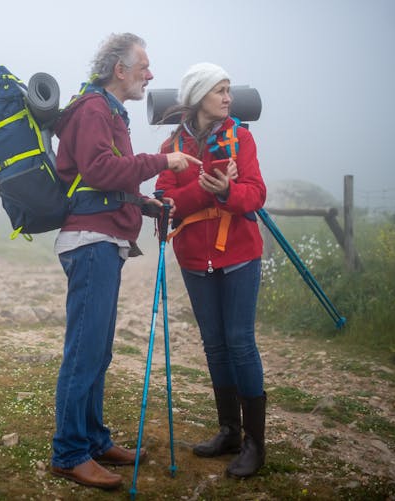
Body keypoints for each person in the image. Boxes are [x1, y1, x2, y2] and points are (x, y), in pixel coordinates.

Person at [49, 33, 201, 490]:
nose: (150, 75)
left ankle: (94, 439)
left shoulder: (108, 111)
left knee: (99, 350)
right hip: (90, 241)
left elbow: (107, 179)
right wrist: (163, 161)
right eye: (143, 66)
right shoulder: (94, 109)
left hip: (103, 240)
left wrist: (146, 204)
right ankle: (69, 452)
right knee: (84, 350)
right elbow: (97, 170)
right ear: (120, 69)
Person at [155, 62, 267, 478]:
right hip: (193, 258)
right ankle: (230, 432)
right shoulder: (173, 145)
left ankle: (256, 445)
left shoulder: (241, 138)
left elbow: (256, 194)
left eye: (228, 90)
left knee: (239, 342)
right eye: (219, 90)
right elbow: (165, 201)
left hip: (238, 253)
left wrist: (228, 193)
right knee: (215, 344)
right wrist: (203, 187)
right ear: (199, 96)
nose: (227, 97)